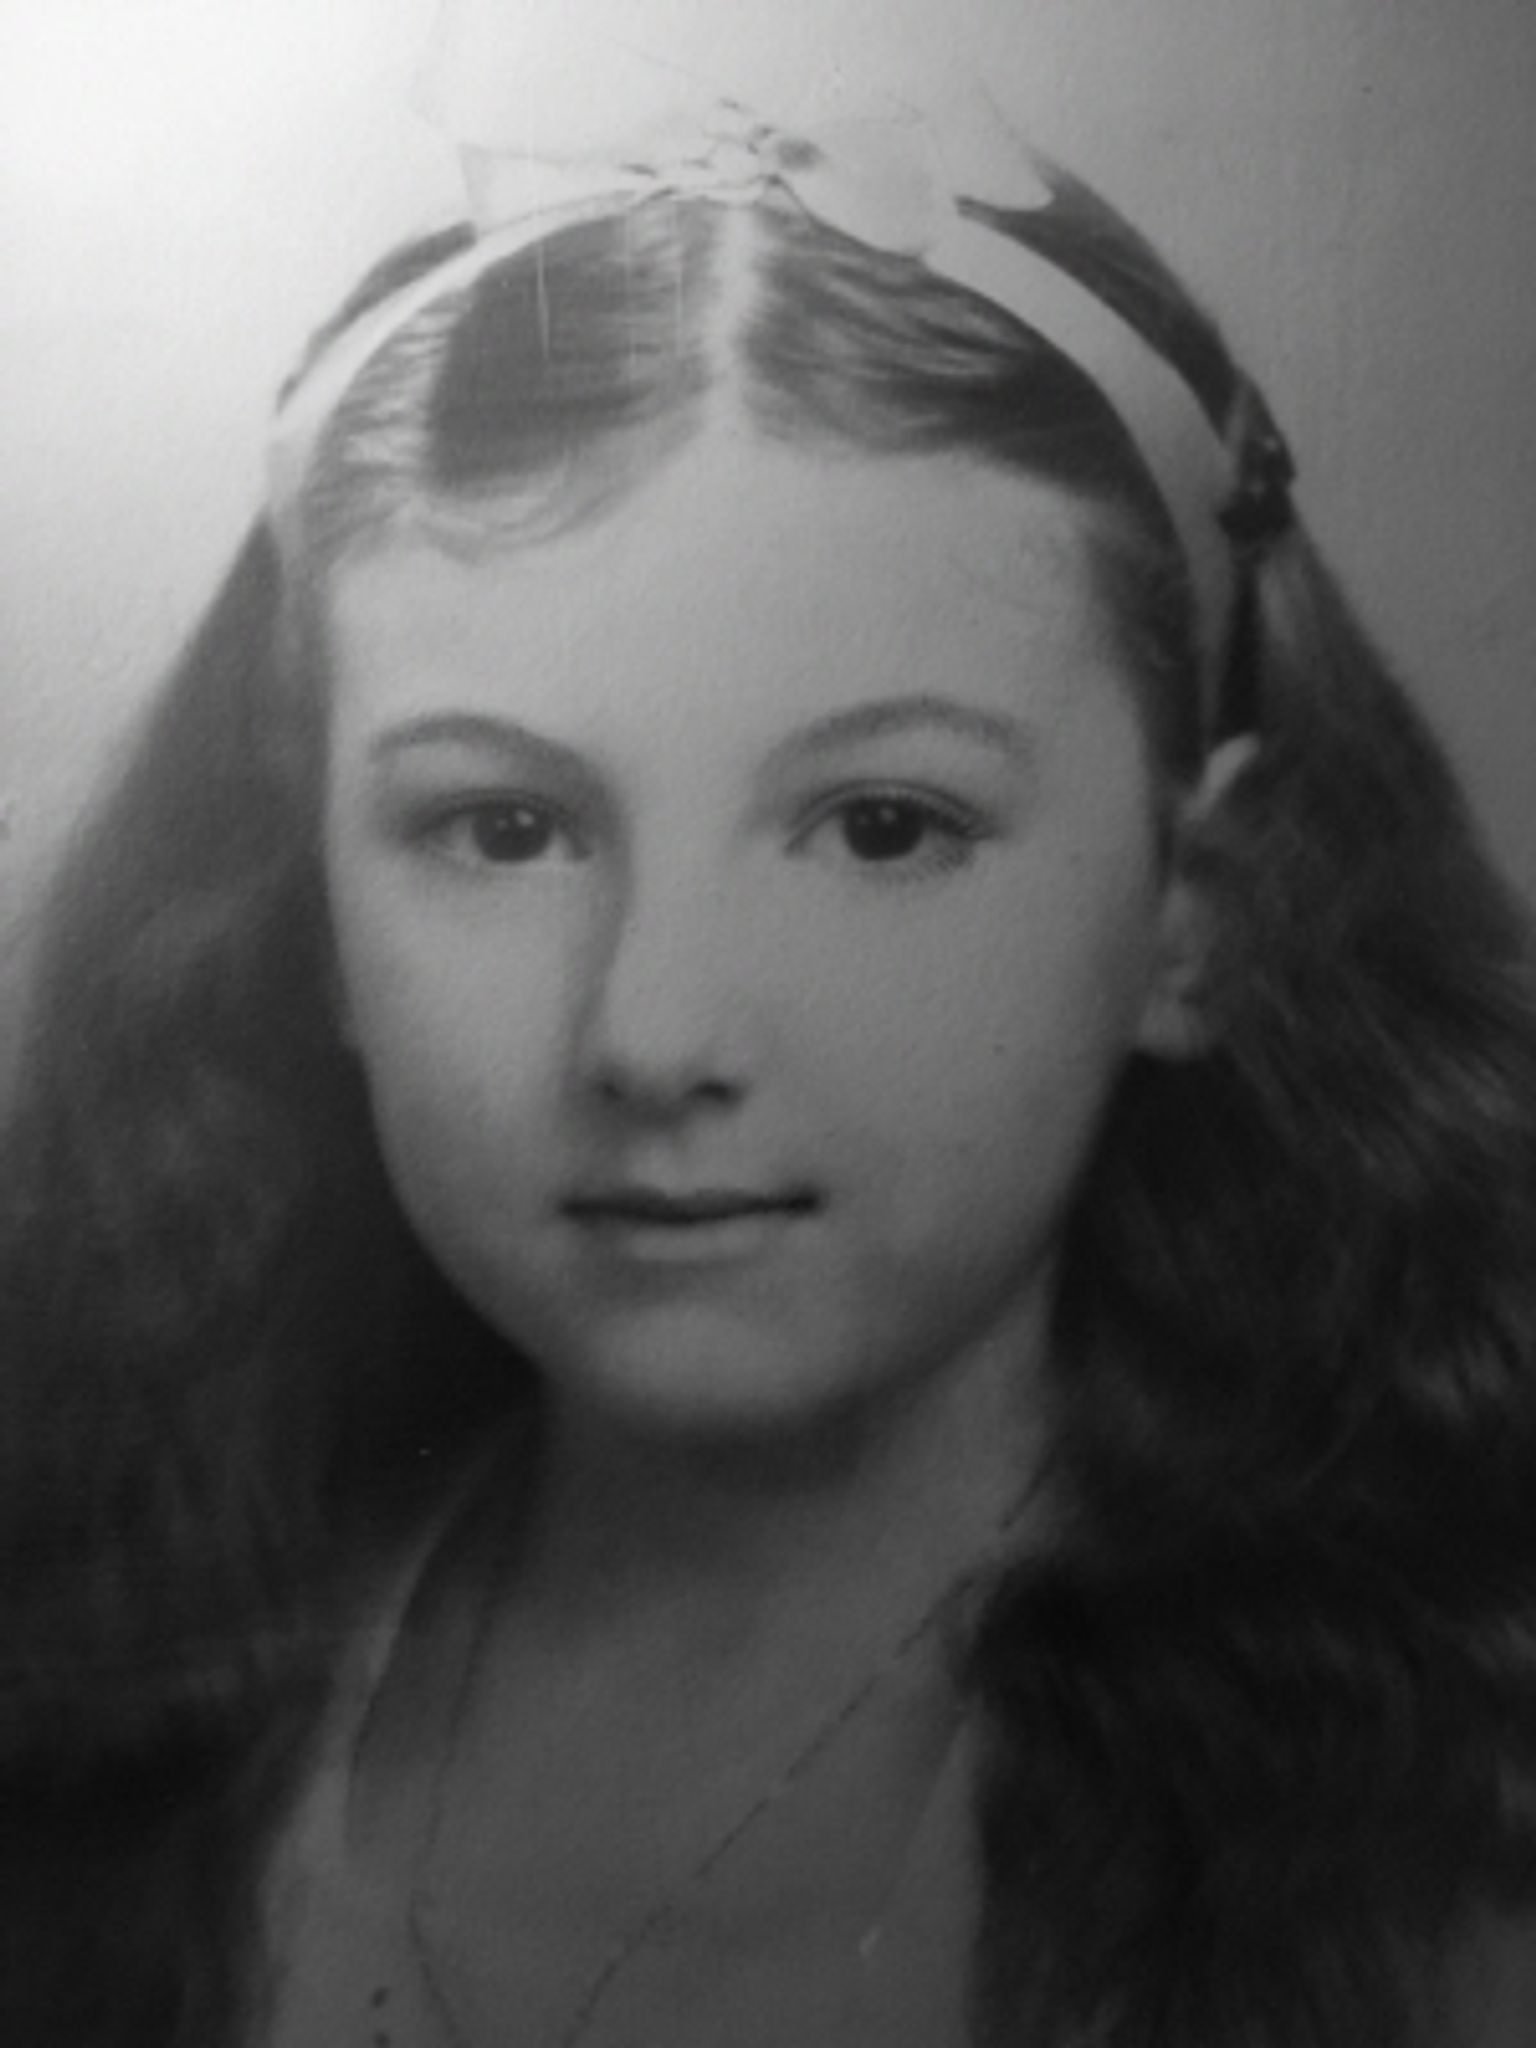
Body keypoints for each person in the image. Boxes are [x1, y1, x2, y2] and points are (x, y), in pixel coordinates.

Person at [3, 16, 1536, 2048]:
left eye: (884, 825)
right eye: (503, 827)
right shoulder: (132, 1723)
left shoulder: (1455, 1839)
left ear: (1199, 910)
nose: (652, 1035)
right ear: (316, 920)